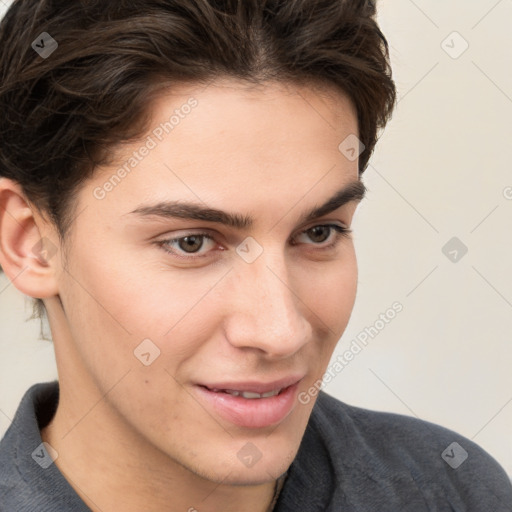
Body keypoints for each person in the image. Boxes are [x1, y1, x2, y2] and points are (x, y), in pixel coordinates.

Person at [0, 0, 510, 511]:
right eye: (192, 242)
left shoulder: (454, 491)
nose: (280, 331)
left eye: (319, 232)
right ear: (29, 243)